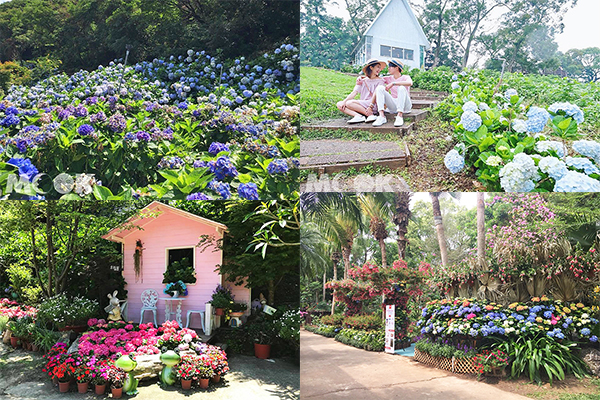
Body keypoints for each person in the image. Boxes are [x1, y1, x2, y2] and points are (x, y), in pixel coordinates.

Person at [336, 59, 386, 124]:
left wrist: (370, 106)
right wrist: (344, 102)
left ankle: (370, 115)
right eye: (378, 67)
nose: (379, 70)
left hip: (373, 104)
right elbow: (354, 92)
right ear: (371, 67)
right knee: (340, 104)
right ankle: (358, 116)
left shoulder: (380, 81)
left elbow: (378, 95)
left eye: (380, 68)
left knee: (349, 103)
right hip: (363, 105)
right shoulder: (362, 81)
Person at [370, 59, 413, 127]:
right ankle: (381, 116)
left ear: (396, 68)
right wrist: (362, 78)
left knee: (401, 88)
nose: (388, 68)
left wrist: (393, 83)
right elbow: (374, 78)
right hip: (394, 105)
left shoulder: (405, 77)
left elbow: (410, 83)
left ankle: (399, 116)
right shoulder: (388, 78)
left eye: (390, 67)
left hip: (405, 106)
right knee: (379, 88)